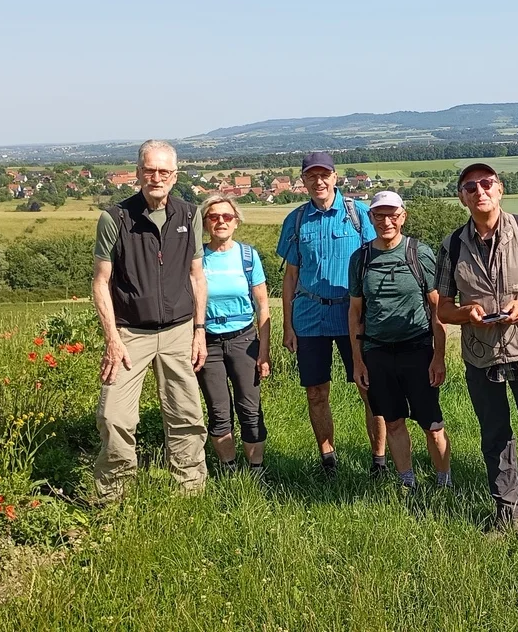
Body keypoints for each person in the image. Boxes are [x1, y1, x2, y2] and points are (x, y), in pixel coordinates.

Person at [435, 163, 518, 539]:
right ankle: (506, 515)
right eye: (470, 186)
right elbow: (442, 308)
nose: (480, 191)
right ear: (462, 197)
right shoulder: (452, 245)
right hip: (482, 356)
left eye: (487, 183)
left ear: (500, 189)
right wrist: (466, 313)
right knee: (495, 438)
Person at [91, 139, 208, 500]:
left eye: (164, 171)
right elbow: (100, 282)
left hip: (178, 331)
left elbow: (196, 276)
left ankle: (190, 492)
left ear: (174, 176)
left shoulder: (189, 215)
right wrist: (112, 339)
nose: (156, 177)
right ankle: (113, 496)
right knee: (114, 416)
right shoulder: (116, 217)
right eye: (149, 170)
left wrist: (199, 331)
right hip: (130, 334)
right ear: (138, 173)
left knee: (186, 416)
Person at [277, 151, 385, 479]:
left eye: (324, 175)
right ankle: (328, 459)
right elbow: (291, 277)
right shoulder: (296, 220)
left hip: (353, 317)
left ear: (335, 177)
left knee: (368, 388)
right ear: (304, 181)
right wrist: (288, 325)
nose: (319, 181)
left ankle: (379, 461)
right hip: (310, 317)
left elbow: (376, 263)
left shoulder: (359, 214)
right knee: (316, 392)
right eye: (312, 176)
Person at [347, 191, 451, 490]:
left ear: (403, 216)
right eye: (379, 215)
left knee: (432, 424)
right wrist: (358, 360)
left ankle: (444, 482)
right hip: (377, 352)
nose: (386, 221)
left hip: (417, 349)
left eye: (392, 215)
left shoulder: (420, 253)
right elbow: (355, 312)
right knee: (392, 421)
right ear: (371, 218)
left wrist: (439, 356)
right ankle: (408, 482)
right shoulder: (361, 258)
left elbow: (436, 308)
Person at [197, 193, 272, 475]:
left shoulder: (248, 256)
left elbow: (263, 305)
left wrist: (264, 351)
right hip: (208, 341)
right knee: (219, 411)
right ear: (205, 223)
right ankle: (229, 471)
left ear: (236, 221)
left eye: (227, 216)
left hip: (244, 339)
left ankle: (256, 470)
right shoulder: (196, 258)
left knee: (250, 409)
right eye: (213, 217)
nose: (221, 221)